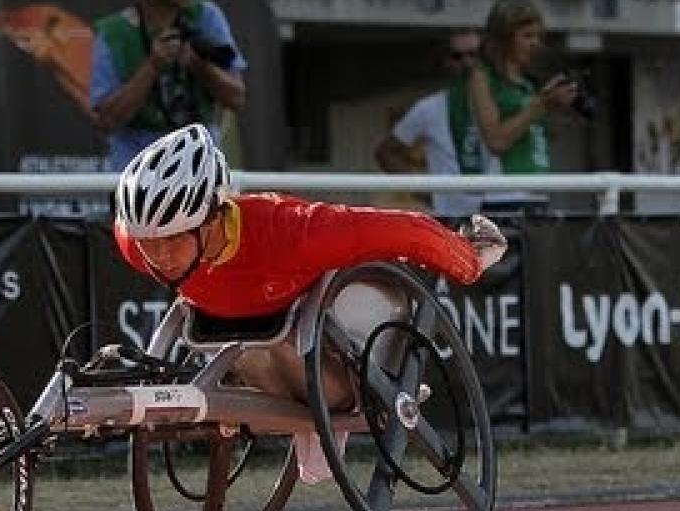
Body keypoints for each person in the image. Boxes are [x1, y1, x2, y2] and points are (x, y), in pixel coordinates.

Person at [113, 124, 506, 483]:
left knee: (288, 338)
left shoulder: (293, 231)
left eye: (172, 239)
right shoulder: (135, 246)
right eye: (148, 242)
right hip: (240, 356)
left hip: (322, 368)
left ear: (212, 219)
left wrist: (467, 259)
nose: (159, 256)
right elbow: (141, 238)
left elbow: (401, 232)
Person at [90, 0, 246, 172]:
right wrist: (152, 67)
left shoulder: (205, 16)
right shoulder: (113, 33)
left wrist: (199, 66)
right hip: (138, 171)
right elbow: (106, 121)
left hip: (200, 168)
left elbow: (236, 98)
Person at [468, 0, 577, 207]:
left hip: (538, 193)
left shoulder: (530, 81)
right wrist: (540, 105)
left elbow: (547, 135)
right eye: (527, 36)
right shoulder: (483, 76)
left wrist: (560, 108)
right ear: (504, 38)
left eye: (538, 37)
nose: (535, 44)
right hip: (504, 196)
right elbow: (496, 141)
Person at [374, 31, 487, 217]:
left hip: (502, 209)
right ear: (447, 62)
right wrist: (424, 190)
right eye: (457, 56)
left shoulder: (505, 103)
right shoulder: (429, 108)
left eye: (475, 55)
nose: (467, 63)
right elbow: (385, 152)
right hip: (451, 217)